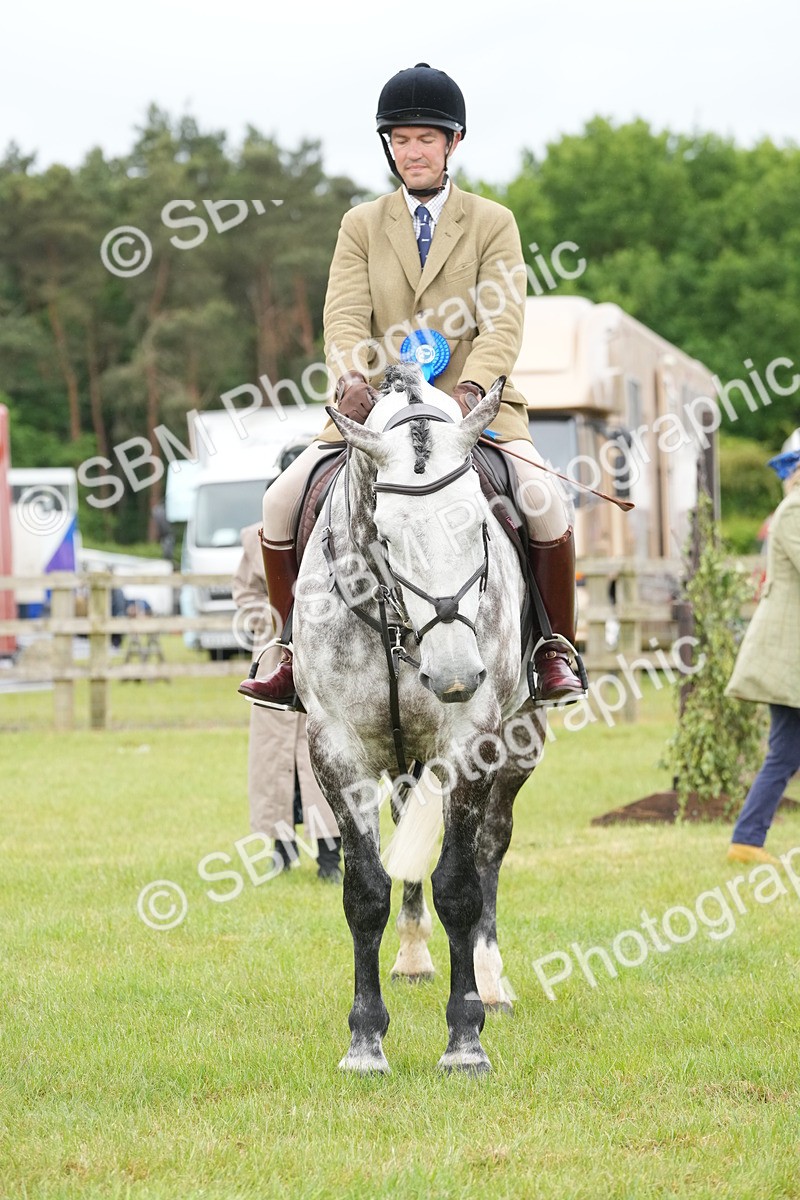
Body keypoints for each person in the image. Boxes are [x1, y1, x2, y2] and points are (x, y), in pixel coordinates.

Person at [239, 62, 584, 710]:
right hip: (376, 412)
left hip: (471, 409)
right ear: (387, 147)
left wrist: (471, 392)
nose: (413, 151)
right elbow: (343, 313)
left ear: (453, 143)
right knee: (281, 502)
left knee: (543, 500)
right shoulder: (361, 225)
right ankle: (289, 652)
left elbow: (503, 319)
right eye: (401, 140)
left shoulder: (492, 222)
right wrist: (348, 378)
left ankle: (551, 651)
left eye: (426, 138)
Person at [233, 504, 343, 883]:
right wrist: (269, 621)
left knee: (328, 756)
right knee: (273, 762)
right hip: (273, 653)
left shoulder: (336, 527)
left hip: (326, 651)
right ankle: (281, 851)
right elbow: (245, 592)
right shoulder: (254, 536)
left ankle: (331, 856)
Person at [725, 447, 800, 865]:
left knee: (786, 752)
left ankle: (747, 841)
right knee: (785, 752)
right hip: (788, 654)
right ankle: (746, 841)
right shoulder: (793, 511)